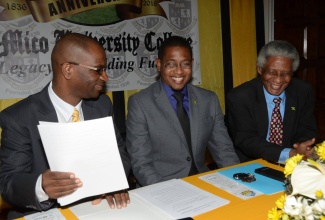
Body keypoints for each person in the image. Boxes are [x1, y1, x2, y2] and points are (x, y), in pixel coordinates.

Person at [0, 33, 131, 219]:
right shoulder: (19, 118)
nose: (105, 76)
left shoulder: (102, 106)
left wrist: (111, 184)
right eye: (98, 69)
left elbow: (120, 154)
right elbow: (9, 183)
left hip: (96, 209)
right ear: (68, 70)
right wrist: (41, 186)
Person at [126, 35, 239, 187]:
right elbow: (141, 163)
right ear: (159, 65)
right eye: (170, 64)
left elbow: (224, 151)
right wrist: (169, 193)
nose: (179, 71)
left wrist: (239, 183)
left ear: (192, 64)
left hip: (202, 182)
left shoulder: (208, 100)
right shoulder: (140, 103)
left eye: (185, 64)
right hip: (160, 186)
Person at [227, 40, 317, 163]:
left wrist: (301, 147)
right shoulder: (240, 96)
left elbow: (306, 128)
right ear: (260, 69)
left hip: (293, 161)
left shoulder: (302, 91)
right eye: (272, 72)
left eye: (286, 74)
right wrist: (288, 154)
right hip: (251, 163)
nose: (278, 80)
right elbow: (246, 139)